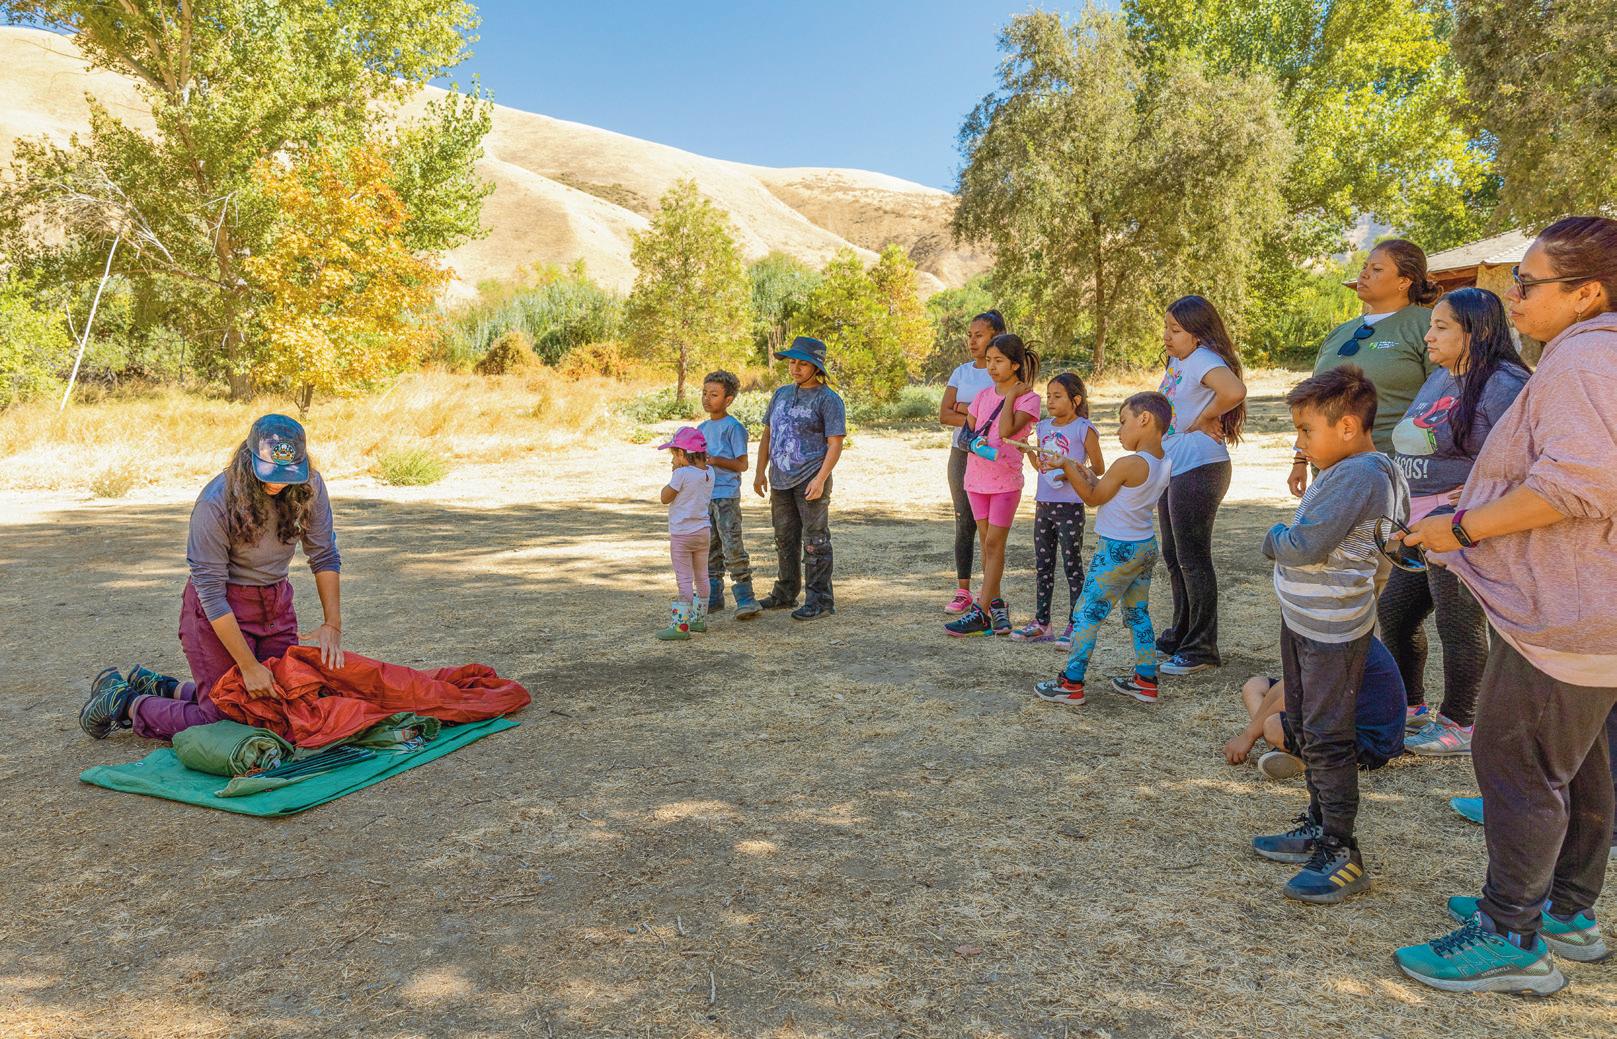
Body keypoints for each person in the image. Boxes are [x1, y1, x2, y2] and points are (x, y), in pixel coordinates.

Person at [1393, 216, 1617, 995]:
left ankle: (1509, 934)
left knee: (1518, 762)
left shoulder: (1583, 358)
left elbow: (1576, 483)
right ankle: (1565, 910)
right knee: (1578, 763)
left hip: (1568, 609)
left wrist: (1459, 528)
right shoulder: (1597, 354)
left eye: (1526, 282)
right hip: (1590, 605)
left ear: (1586, 293)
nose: (1511, 296)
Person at [79, 414, 344, 741]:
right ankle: (123, 703)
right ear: (248, 458)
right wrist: (248, 666)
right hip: (219, 611)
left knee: (282, 704)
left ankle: (166, 689)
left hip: (275, 606)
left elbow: (324, 554)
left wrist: (332, 623)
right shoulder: (215, 502)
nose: (278, 483)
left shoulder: (309, 486)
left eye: (287, 475)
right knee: (225, 720)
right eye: (269, 473)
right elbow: (212, 595)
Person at [1251, 366, 1409, 905]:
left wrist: (1274, 536)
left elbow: (1303, 544)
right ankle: (1319, 824)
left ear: (1346, 426)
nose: (1299, 443)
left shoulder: (1359, 475)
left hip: (1330, 631)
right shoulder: (1354, 469)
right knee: (1304, 721)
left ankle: (1341, 849)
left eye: (1305, 430)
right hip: (1308, 620)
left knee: (1326, 735)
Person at [1381, 289, 1529, 756]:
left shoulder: (1504, 383)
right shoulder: (1442, 376)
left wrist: (1480, 494)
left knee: (1457, 621)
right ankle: (1409, 706)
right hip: (1421, 523)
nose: (1429, 335)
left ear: (1476, 332)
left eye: (1441, 327)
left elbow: (1528, 452)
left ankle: (1462, 721)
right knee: (1396, 612)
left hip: (1463, 525)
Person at [1032, 392, 1173, 706]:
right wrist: (1084, 472)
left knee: (1086, 614)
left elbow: (1093, 498)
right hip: (1144, 545)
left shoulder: (1129, 463)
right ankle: (1146, 679)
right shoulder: (1162, 460)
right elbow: (1108, 488)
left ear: (1144, 419)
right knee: (1137, 613)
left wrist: (1067, 466)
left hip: (1117, 549)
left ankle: (1071, 682)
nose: (1119, 431)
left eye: (1123, 422)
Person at [1291, 239, 1442, 496]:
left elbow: (1446, 400)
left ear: (1404, 281)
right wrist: (1299, 459)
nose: (1364, 274)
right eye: (1364, 267)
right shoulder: (1340, 333)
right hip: (1329, 474)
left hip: (1394, 471)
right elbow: (1310, 402)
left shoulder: (1427, 326)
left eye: (1377, 269)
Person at [1154, 295, 1247, 675]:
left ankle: (1202, 647)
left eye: (1175, 330)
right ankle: (1182, 631)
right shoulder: (1181, 360)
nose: (1167, 336)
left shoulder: (1203, 358)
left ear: (1198, 333)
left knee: (1193, 558)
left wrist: (1207, 416)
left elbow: (1234, 391)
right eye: (1166, 327)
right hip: (1174, 467)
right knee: (1174, 554)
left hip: (1199, 468)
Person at [944, 333, 1041, 637]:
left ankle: (981, 611)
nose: (991, 367)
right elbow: (969, 433)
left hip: (1005, 482)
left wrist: (1009, 397)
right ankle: (996, 604)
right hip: (976, 479)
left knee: (994, 544)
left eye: (999, 361)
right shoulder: (983, 396)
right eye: (989, 361)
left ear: (1015, 364)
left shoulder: (1029, 399)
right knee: (987, 543)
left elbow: (1007, 430)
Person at [1224, 637, 1405, 781]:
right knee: (1255, 686)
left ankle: (1301, 757)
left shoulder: (1332, 640)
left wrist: (1248, 736)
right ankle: (1287, 750)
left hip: (1369, 743)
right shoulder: (1323, 628)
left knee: (1273, 726)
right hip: (1338, 716)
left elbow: (1294, 699)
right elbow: (1290, 683)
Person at [755, 336, 846, 621]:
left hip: (810, 478)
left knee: (815, 540)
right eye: (792, 362)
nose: (795, 368)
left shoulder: (828, 399)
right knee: (784, 538)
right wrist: (760, 471)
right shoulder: (781, 394)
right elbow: (768, 434)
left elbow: (835, 444)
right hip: (780, 478)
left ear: (816, 367)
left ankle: (820, 600)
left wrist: (820, 479)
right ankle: (785, 592)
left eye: (802, 364)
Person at [1011, 372, 1104, 644]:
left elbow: (1098, 467)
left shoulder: (1083, 428)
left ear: (1075, 400)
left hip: (1070, 506)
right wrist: (1029, 451)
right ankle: (1042, 622)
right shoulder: (1042, 427)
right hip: (1044, 504)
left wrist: (1069, 473)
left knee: (1072, 565)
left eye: (1057, 396)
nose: (1050, 401)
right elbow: (1041, 467)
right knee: (1043, 566)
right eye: (1048, 396)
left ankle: (1077, 624)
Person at [939, 310, 1005, 615]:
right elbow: (944, 415)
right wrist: (978, 415)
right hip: (961, 454)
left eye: (979, 335)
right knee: (963, 520)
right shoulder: (961, 372)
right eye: (969, 335)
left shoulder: (1001, 373)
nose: (972, 341)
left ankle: (989, 593)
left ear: (996, 336)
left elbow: (1005, 416)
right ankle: (963, 590)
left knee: (990, 528)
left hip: (992, 458)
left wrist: (965, 408)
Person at [698, 370, 762, 621]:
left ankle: (746, 598)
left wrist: (716, 460)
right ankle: (713, 597)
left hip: (726, 497)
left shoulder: (734, 428)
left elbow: (742, 464)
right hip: (705, 496)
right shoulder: (701, 428)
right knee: (709, 546)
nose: (707, 399)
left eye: (714, 395)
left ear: (728, 400)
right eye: (704, 393)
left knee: (732, 545)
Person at [655, 426, 714, 641]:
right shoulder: (709, 472)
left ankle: (680, 627)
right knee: (702, 576)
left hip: (682, 535)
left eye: (674, 455)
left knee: (684, 579)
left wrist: (674, 474)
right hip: (703, 532)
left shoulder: (681, 474)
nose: (673, 460)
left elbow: (665, 497)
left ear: (681, 454)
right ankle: (699, 619)